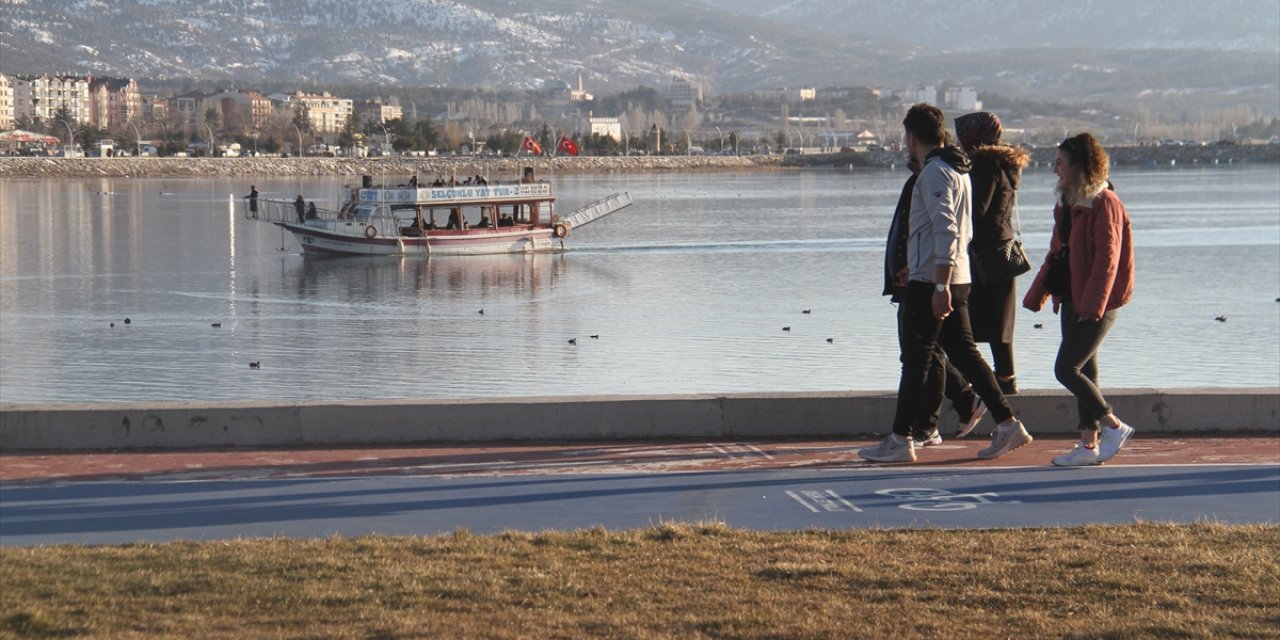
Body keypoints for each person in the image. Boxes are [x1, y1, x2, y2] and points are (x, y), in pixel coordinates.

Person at [859, 103, 1029, 464]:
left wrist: (938, 286)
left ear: (911, 137)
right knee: (965, 355)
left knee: (917, 362)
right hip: (955, 277)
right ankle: (1007, 423)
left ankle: (900, 439)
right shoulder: (960, 169)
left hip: (934, 282)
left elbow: (947, 230)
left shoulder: (935, 173)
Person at [1024, 133, 1136, 467]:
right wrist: (1038, 293)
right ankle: (1088, 447)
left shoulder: (1105, 203)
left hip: (1097, 303)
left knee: (1065, 368)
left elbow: (1108, 260)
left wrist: (1093, 307)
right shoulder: (1068, 205)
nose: (1055, 169)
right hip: (1072, 298)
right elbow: (1056, 252)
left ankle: (1114, 426)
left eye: (1060, 163)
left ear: (1080, 167)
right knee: (1086, 369)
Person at [883, 156, 987, 446]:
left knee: (923, 353)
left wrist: (936, 280)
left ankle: (926, 425)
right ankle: (968, 403)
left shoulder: (933, 177)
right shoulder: (933, 178)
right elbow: (915, 229)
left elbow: (943, 230)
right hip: (924, 273)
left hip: (928, 276)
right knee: (932, 350)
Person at [955, 111, 1031, 395]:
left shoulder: (983, 165)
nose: (959, 141)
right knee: (1000, 324)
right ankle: (1006, 381)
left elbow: (977, 211)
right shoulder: (1005, 164)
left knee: (963, 325)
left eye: (962, 135)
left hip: (983, 252)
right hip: (1002, 250)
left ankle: (968, 385)